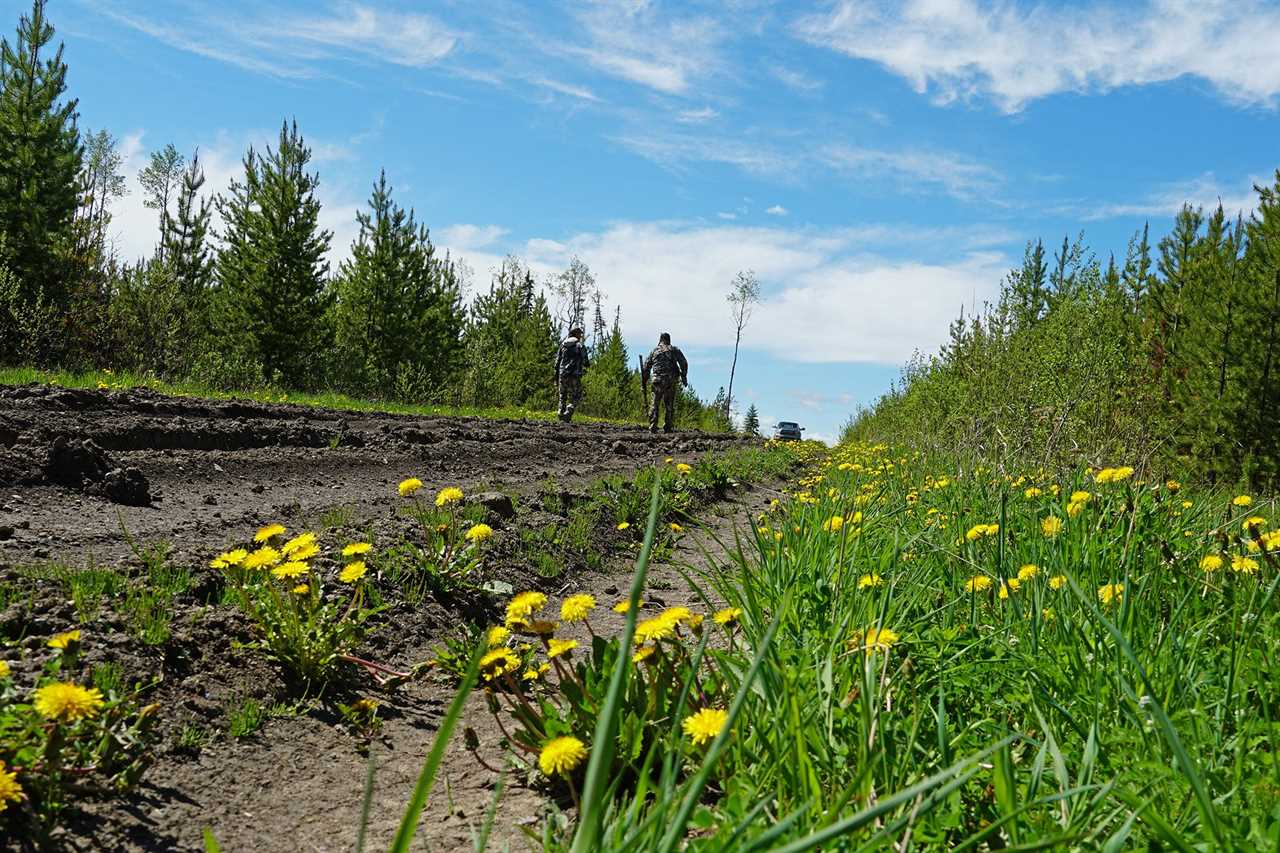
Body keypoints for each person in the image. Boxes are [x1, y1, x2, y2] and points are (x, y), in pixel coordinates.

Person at [641, 332, 688, 434]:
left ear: (660, 340)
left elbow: (646, 366)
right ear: (669, 340)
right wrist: (684, 376)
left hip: (657, 381)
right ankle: (668, 427)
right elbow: (684, 363)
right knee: (669, 404)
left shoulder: (654, 351)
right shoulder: (674, 350)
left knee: (655, 403)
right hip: (671, 380)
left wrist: (644, 380)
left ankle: (653, 426)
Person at [554, 327, 590, 422]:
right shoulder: (579, 345)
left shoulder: (562, 345)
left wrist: (556, 376)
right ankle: (569, 409)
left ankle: (560, 412)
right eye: (580, 334)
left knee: (562, 394)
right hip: (574, 374)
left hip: (562, 374)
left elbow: (557, 362)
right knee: (577, 395)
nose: (581, 336)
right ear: (576, 334)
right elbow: (586, 361)